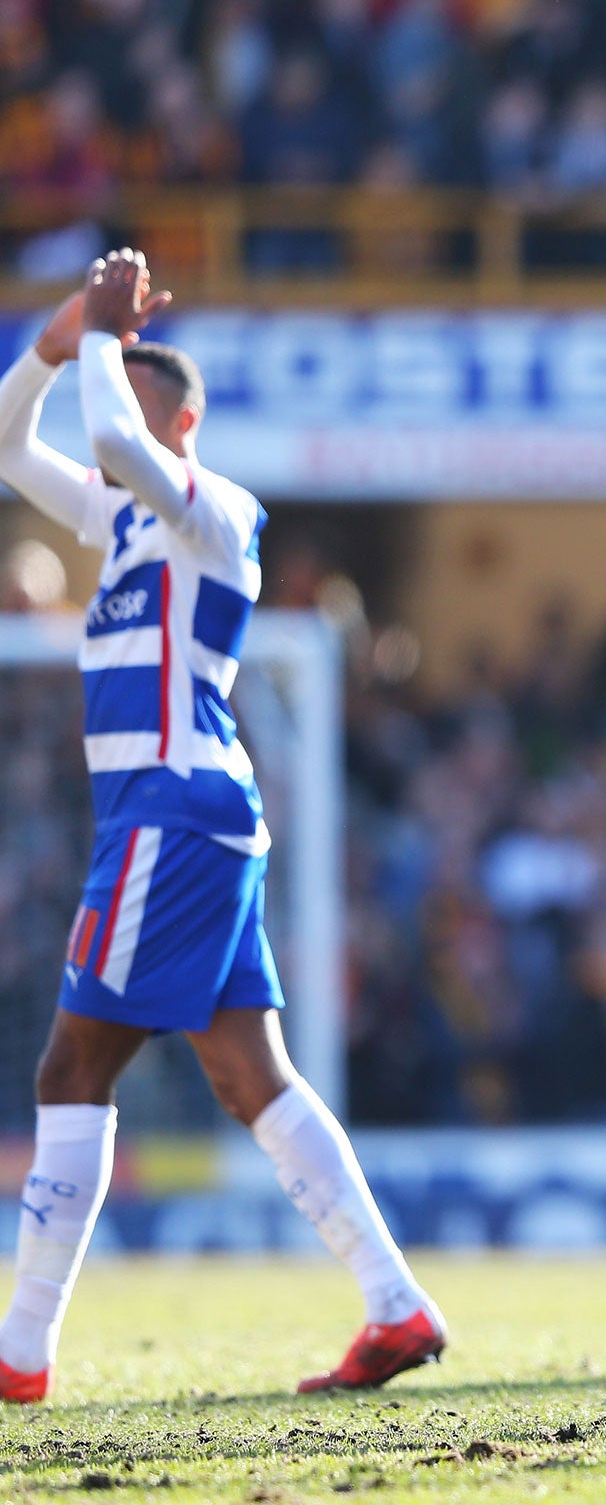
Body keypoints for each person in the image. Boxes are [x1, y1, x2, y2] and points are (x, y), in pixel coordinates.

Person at [0, 250, 446, 1403]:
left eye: (141, 389)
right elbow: (6, 452)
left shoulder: (218, 513)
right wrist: (51, 351)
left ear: (183, 418)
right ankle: (395, 1306)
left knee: (71, 1064)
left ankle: (21, 1355)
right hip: (183, 816)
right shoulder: (122, 522)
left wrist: (99, 339)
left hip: (171, 811)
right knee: (252, 1074)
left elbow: (112, 445)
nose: (120, 400)